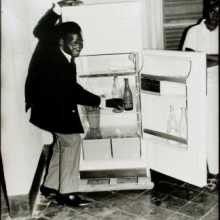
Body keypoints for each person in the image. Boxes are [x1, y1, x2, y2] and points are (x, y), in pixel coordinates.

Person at [25, 1, 123, 207]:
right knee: (72, 141)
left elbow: (71, 89)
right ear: (60, 42)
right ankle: (67, 193)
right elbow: (40, 30)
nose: (79, 45)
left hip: (51, 105)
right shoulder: (49, 51)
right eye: (74, 41)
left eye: (81, 41)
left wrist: (103, 101)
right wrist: (58, 8)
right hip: (46, 107)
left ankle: (51, 186)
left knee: (63, 142)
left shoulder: (67, 57)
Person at [182, 1, 219, 190]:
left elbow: (199, 57)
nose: (215, 14)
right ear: (206, 10)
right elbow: (190, 59)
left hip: (216, 85)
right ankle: (202, 172)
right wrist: (213, 58)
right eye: (212, 10)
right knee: (202, 130)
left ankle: (214, 172)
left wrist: (203, 56)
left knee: (215, 131)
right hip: (199, 86)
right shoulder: (194, 32)